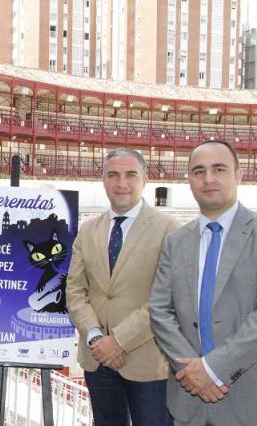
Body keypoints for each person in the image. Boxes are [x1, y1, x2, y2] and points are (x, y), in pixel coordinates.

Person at [149, 140, 257, 426]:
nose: (209, 179)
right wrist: (192, 372)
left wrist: (213, 369)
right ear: (189, 180)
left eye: (219, 169)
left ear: (238, 175)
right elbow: (159, 311)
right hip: (188, 398)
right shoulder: (175, 241)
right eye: (199, 171)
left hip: (250, 397)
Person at [66, 148, 179, 426]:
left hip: (147, 361)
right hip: (97, 360)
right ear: (103, 179)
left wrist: (118, 341)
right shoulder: (88, 229)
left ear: (145, 179)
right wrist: (95, 339)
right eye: (113, 175)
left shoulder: (169, 229)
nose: (121, 183)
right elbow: (75, 291)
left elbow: (166, 298)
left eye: (131, 175)